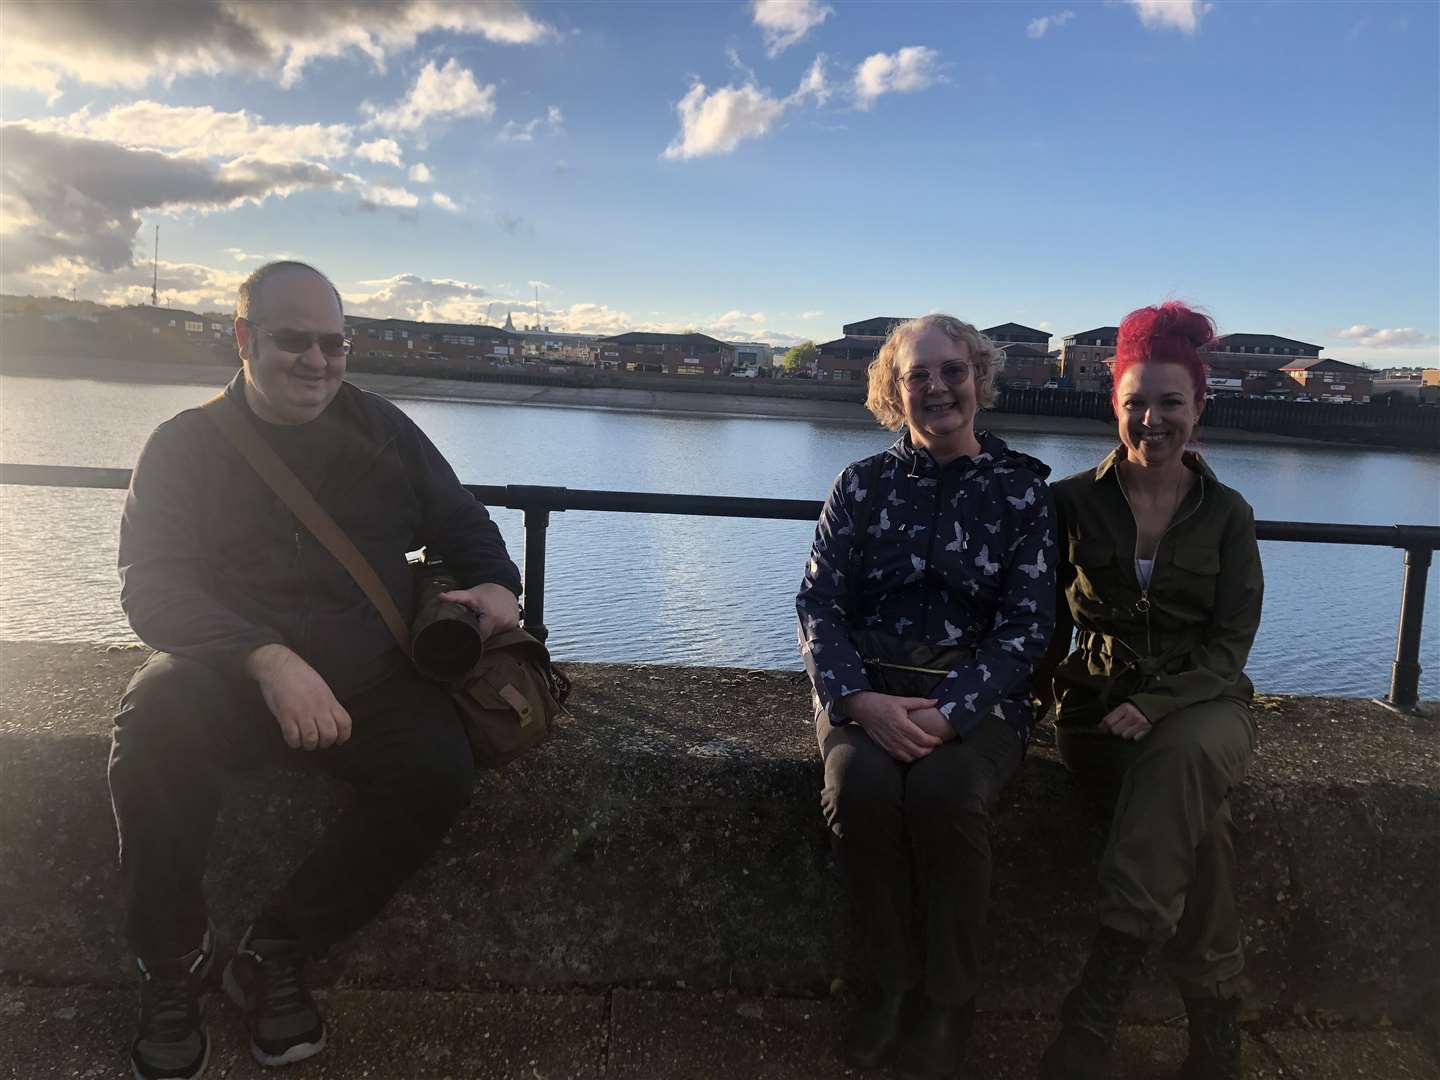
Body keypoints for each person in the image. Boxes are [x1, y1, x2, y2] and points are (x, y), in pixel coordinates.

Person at [111, 261, 523, 1080]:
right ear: (244, 339)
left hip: (366, 679)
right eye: (293, 340)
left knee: (438, 768)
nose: (318, 360)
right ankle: (171, 963)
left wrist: (498, 591)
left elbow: (472, 534)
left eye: (334, 343)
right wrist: (264, 658)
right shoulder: (183, 446)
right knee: (150, 728)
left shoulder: (385, 431)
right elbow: (149, 587)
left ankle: (275, 951)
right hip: (222, 677)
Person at [797, 315, 1057, 1079]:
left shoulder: (1022, 493)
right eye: (919, 375)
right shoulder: (860, 485)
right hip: (868, 690)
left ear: (978, 379)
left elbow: (1028, 625)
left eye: (953, 371)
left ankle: (949, 999)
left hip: (978, 700)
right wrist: (858, 701)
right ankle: (893, 986)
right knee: (860, 789)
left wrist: (953, 714)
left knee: (946, 795)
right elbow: (818, 606)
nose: (938, 387)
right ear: (893, 390)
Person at [1038, 302, 1263, 1080]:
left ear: (1199, 407)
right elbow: (1039, 625)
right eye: (1136, 402)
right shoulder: (1070, 502)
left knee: (1179, 765)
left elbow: (1231, 647)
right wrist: (1019, 710)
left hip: (1205, 707)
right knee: (1203, 829)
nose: (1152, 418)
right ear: (1115, 407)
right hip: (1095, 708)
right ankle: (1215, 1025)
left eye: (1171, 402)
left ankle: (1095, 1012)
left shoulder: (1230, 515)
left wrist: (1162, 705)